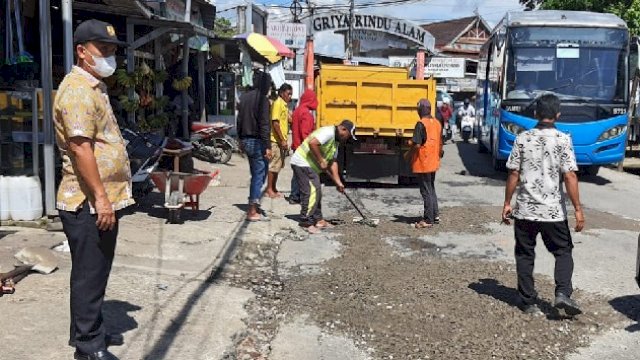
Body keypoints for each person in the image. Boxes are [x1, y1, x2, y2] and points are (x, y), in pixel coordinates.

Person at [54, 19, 130, 360]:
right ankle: (87, 347)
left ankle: (92, 331)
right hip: (85, 202)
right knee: (88, 275)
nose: (110, 56)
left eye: (113, 50)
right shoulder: (78, 91)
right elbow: (81, 148)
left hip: (100, 200)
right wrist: (101, 199)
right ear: (82, 52)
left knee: (96, 272)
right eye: (104, 49)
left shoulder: (94, 86)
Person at [502, 94, 585, 316]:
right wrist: (577, 209)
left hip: (525, 210)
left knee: (525, 255)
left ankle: (528, 302)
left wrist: (507, 203)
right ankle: (563, 293)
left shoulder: (522, 138)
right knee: (563, 252)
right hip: (553, 212)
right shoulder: (563, 139)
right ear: (558, 114)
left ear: (536, 114)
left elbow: (513, 173)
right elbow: (570, 177)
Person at [290, 120, 356, 234]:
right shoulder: (328, 132)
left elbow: (333, 162)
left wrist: (338, 182)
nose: (347, 138)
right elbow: (312, 143)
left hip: (310, 165)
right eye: (348, 136)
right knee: (312, 191)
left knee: (318, 191)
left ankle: (318, 220)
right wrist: (321, 160)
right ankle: (306, 222)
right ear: (343, 129)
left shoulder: (336, 142)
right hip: (302, 162)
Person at [238, 71, 273, 221]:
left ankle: (254, 202)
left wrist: (239, 139)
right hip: (257, 141)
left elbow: (238, 120)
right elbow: (264, 125)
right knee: (259, 175)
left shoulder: (244, 97)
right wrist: (268, 146)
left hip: (246, 140)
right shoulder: (263, 100)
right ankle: (252, 209)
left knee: (258, 174)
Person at [407, 99, 443, 229]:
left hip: (423, 162)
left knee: (426, 191)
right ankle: (435, 215)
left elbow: (417, 144)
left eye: (418, 108)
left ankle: (428, 219)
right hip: (433, 162)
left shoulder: (421, 124)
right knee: (431, 188)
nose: (417, 111)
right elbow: (439, 143)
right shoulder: (437, 123)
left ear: (422, 109)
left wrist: (409, 150)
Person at [289, 89, 318, 205]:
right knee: (303, 174)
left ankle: (294, 195)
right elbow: (305, 133)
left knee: (297, 173)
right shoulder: (306, 113)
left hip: (296, 145)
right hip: (303, 147)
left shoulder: (297, 111)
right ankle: (297, 196)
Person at [266, 83, 293, 198]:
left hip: (281, 140)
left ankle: (274, 188)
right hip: (275, 140)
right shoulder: (278, 103)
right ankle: (269, 189)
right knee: (273, 166)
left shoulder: (284, 105)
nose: (290, 96)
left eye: (291, 94)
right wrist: (282, 139)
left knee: (278, 165)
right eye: (288, 94)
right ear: (282, 93)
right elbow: (275, 123)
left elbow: (287, 120)